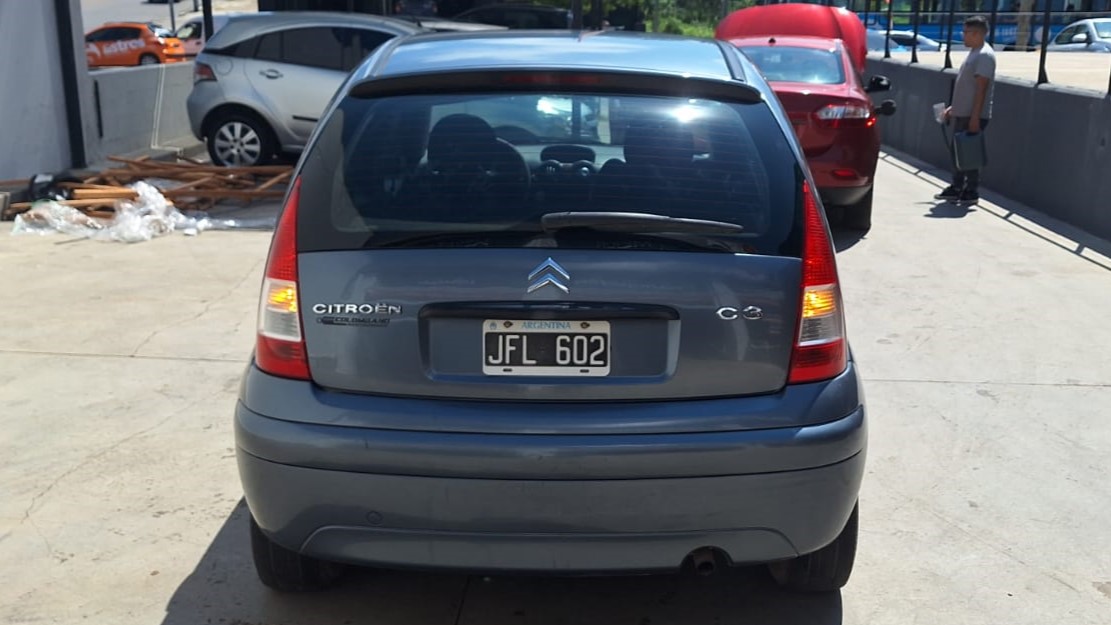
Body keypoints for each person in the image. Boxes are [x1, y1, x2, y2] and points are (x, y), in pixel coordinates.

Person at [935, 15, 996, 205]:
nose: (963, 36)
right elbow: (967, 87)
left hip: (972, 115)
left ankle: (971, 190)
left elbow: (981, 88)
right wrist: (953, 108)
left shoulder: (984, 55)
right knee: (958, 153)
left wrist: (975, 117)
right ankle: (957, 187)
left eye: (966, 32)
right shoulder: (974, 53)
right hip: (963, 113)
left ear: (977, 34)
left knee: (970, 154)